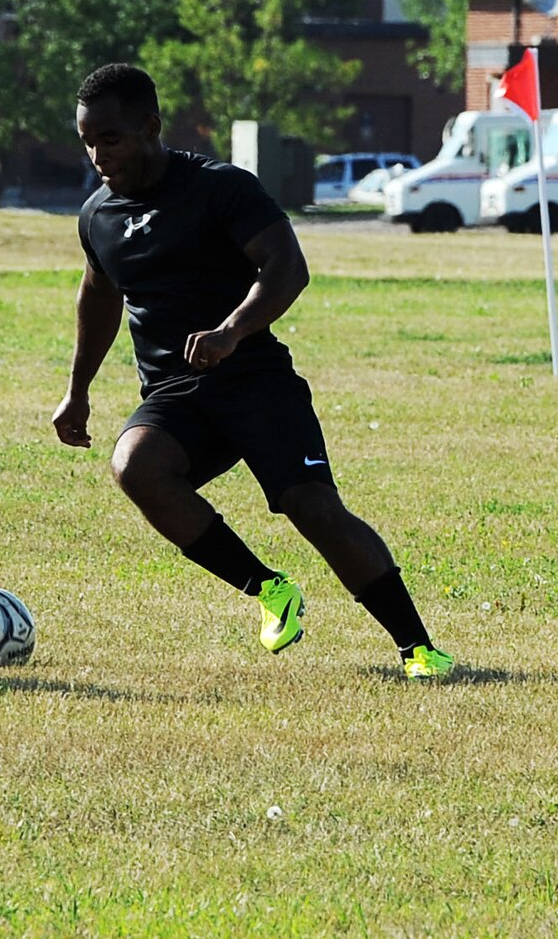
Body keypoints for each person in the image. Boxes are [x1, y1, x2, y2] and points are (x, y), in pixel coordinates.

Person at [50, 64, 454, 679]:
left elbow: (287, 266)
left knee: (312, 507)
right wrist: (76, 391)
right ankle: (269, 589)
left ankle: (419, 647)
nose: (98, 154)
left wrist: (231, 332)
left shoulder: (220, 187)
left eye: (111, 138)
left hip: (253, 380)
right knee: (135, 465)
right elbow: (99, 294)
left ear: (151, 127)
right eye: (88, 141)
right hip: (176, 395)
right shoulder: (97, 216)